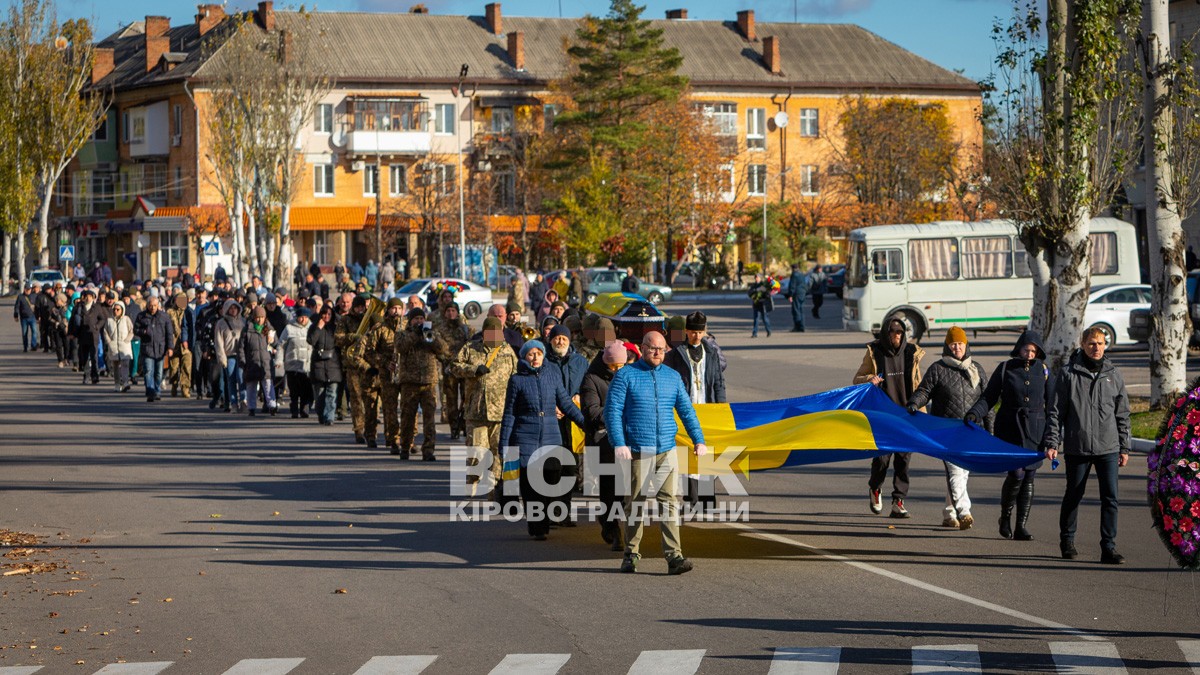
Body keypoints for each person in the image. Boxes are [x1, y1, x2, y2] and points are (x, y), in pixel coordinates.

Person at [605, 331, 707, 575]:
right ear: (642, 348)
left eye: (662, 349)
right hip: (638, 450)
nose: (658, 353)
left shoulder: (672, 377)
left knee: (669, 503)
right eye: (652, 348)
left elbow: (686, 411)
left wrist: (698, 439)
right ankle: (630, 554)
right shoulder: (625, 376)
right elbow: (612, 411)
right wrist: (619, 442)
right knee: (635, 504)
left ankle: (674, 557)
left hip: (666, 450)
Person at [1043, 327, 1131, 564]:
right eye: (1092, 343)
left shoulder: (1114, 374)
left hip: (1108, 447)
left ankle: (1109, 547)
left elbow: (1122, 414)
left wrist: (1125, 447)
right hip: (1078, 446)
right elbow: (1055, 412)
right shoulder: (1068, 374)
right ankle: (1067, 541)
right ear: (1082, 344)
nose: (1097, 348)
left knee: (1110, 498)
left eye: (1101, 343)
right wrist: (1052, 442)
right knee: (1074, 494)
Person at [968, 331, 1051, 541]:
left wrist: (1053, 436)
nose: (1029, 354)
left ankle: (1021, 525)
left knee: (1030, 475)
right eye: (1026, 349)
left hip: (1035, 429)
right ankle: (1005, 516)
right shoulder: (1005, 368)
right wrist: (974, 413)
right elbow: (989, 397)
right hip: (1010, 427)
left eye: (1034, 350)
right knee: (1016, 474)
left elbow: (1053, 405)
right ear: (1019, 348)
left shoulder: (1044, 371)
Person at [499, 340, 586, 540]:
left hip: (551, 438)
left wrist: (585, 424)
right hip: (525, 439)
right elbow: (510, 414)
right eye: (531, 354)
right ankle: (538, 526)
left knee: (551, 481)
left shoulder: (552, 376)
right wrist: (504, 444)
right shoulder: (517, 380)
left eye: (539, 353)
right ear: (524, 357)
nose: (535, 357)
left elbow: (566, 404)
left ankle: (545, 517)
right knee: (531, 488)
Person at [906, 326, 987, 530]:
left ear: (966, 345)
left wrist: (991, 432)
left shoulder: (976, 368)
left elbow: (988, 400)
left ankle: (949, 513)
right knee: (955, 471)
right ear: (947, 346)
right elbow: (924, 390)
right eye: (953, 344)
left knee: (963, 473)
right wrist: (915, 403)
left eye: (960, 344)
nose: (957, 347)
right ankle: (964, 511)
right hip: (946, 430)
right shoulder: (938, 368)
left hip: (971, 430)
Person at [853, 317, 925, 518]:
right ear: (886, 332)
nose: (896, 335)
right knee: (882, 459)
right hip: (883, 417)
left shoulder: (912, 352)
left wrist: (922, 416)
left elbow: (918, 385)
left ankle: (898, 501)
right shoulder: (875, 351)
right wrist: (870, 379)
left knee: (903, 461)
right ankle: (875, 488)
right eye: (893, 332)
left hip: (906, 415)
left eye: (900, 332)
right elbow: (856, 380)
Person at [663, 311, 727, 510]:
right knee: (687, 452)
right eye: (692, 332)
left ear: (704, 332)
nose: (696, 336)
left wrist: (721, 407)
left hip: (707, 408)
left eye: (699, 332)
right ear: (686, 332)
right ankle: (691, 498)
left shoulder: (712, 353)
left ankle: (707, 498)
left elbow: (718, 381)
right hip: (685, 408)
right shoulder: (675, 355)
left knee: (707, 452)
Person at [450, 316, 519, 496]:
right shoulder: (471, 348)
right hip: (476, 409)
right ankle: (473, 478)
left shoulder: (507, 351)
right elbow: (454, 367)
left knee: (497, 452)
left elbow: (517, 375)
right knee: (477, 451)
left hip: (500, 411)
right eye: (490, 331)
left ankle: (493, 486)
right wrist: (473, 370)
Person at [580, 340, 628, 550]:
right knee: (610, 487)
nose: (618, 370)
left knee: (625, 487)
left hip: (626, 439)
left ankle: (617, 522)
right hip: (603, 441)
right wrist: (617, 414)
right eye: (614, 366)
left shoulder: (628, 375)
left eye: (621, 366)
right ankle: (611, 527)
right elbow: (591, 411)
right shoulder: (592, 379)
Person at [394, 307, 448, 459]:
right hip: (409, 382)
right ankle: (405, 447)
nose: (419, 321)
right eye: (416, 319)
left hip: (428, 382)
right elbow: (400, 347)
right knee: (407, 418)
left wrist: (430, 337)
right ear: (410, 321)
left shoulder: (431, 333)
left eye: (421, 318)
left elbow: (443, 348)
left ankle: (429, 449)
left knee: (429, 419)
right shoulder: (402, 334)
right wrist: (415, 335)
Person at [336, 295, 380, 446]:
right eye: (359, 307)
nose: (362, 309)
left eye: (363, 307)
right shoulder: (345, 320)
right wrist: (353, 337)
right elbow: (338, 339)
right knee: (356, 400)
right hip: (353, 366)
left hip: (370, 365)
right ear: (354, 307)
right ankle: (359, 431)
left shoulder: (371, 319)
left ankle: (371, 432)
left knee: (372, 401)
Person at [367, 298, 405, 450]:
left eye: (399, 308)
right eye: (393, 308)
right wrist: (384, 362)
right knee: (390, 409)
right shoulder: (380, 329)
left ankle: (407, 439)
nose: (396, 311)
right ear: (388, 310)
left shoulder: (408, 327)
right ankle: (393, 438)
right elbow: (369, 352)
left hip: (407, 374)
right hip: (387, 375)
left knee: (408, 409)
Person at [435, 302, 471, 440]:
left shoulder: (465, 328)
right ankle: (454, 427)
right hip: (449, 369)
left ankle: (464, 425)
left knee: (466, 398)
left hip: (463, 368)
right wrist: (444, 359)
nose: (451, 313)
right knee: (451, 401)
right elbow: (436, 348)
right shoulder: (440, 329)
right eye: (448, 310)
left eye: (453, 310)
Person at [134, 295, 175, 403]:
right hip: (147, 348)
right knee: (148, 371)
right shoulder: (141, 316)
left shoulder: (164, 317)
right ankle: (150, 392)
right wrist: (143, 332)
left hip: (160, 349)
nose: (153, 308)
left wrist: (170, 347)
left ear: (158, 306)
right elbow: (135, 329)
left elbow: (169, 333)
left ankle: (157, 391)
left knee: (159, 373)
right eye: (151, 305)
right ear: (147, 305)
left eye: (155, 306)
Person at [308, 303, 342, 426]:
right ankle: (321, 415)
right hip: (318, 364)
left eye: (329, 314)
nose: (326, 316)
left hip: (333, 364)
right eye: (324, 314)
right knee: (320, 395)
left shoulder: (336, 327)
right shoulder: (315, 326)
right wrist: (318, 328)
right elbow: (311, 340)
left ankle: (330, 417)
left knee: (332, 393)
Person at [240, 306, 277, 416]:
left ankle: (272, 406)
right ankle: (251, 408)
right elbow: (241, 347)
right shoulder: (247, 329)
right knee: (251, 386)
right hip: (251, 361)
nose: (259, 320)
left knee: (268, 385)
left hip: (266, 362)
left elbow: (276, 343)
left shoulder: (269, 329)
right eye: (257, 317)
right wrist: (242, 361)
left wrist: (273, 340)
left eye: (262, 317)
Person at [282, 307, 314, 419]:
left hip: (306, 365)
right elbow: (281, 346)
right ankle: (294, 410)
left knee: (306, 389)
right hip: (292, 365)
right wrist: (279, 361)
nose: (303, 320)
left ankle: (304, 409)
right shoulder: (289, 328)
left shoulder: (312, 328)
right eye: (301, 317)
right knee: (294, 391)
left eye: (306, 317)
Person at [214, 299, 245, 412]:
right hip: (229, 356)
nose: (233, 310)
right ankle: (233, 403)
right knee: (231, 380)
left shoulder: (243, 322)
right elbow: (218, 342)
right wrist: (222, 357)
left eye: (235, 308)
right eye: (231, 308)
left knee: (241, 378)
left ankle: (243, 400)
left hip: (241, 355)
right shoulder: (221, 323)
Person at [167, 292, 194, 399]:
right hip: (174, 345)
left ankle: (185, 388)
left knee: (186, 368)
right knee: (174, 368)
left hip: (186, 345)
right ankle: (174, 385)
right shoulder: (170, 312)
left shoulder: (188, 312)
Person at [103, 301, 134, 392]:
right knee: (115, 367)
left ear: (122, 310)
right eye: (114, 309)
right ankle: (117, 384)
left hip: (124, 346)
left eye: (118, 309)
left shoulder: (126, 319)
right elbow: (105, 332)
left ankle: (125, 382)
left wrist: (127, 340)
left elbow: (131, 330)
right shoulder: (109, 320)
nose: (116, 311)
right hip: (114, 347)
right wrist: (109, 342)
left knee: (125, 365)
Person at [13, 284, 38, 352]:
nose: (28, 291)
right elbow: (17, 306)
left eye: (29, 289)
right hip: (24, 318)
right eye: (27, 289)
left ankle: (33, 345)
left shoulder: (34, 296)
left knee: (34, 332)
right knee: (24, 333)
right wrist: (16, 315)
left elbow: (38, 306)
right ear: (24, 289)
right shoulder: (20, 297)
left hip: (32, 317)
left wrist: (38, 316)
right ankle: (25, 346)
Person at [747, 273, 773, 338]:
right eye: (755, 277)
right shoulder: (754, 286)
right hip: (756, 304)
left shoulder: (763, 285)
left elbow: (768, 294)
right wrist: (755, 290)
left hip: (763, 305)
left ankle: (768, 331)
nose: (756, 279)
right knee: (756, 319)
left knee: (765, 319)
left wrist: (765, 294)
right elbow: (749, 293)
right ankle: (754, 333)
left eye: (757, 277)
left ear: (760, 278)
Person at [786, 263, 807, 332]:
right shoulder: (801, 274)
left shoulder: (794, 275)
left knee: (796, 310)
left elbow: (792, 286)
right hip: (802, 293)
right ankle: (802, 326)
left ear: (792, 268)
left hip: (796, 294)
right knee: (801, 310)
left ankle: (798, 327)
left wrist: (790, 295)